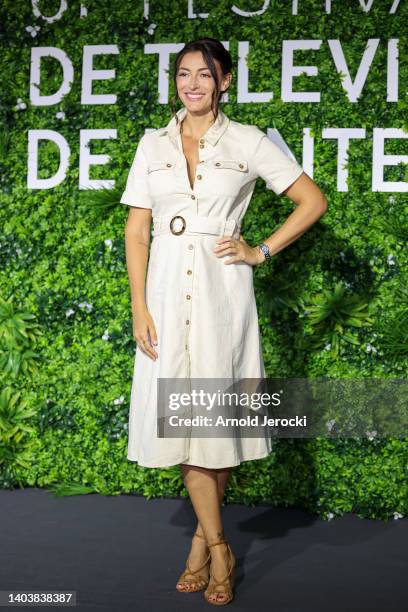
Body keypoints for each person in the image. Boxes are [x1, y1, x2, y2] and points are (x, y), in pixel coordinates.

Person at [121, 37, 328, 606]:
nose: (192, 84)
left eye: (204, 75)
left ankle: (208, 547)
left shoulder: (248, 142)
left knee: (211, 426)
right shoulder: (152, 144)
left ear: (225, 81)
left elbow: (312, 201)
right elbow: (137, 231)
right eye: (184, 74)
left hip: (222, 296)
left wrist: (260, 250)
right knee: (186, 427)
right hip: (163, 295)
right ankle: (217, 546)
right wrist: (140, 305)